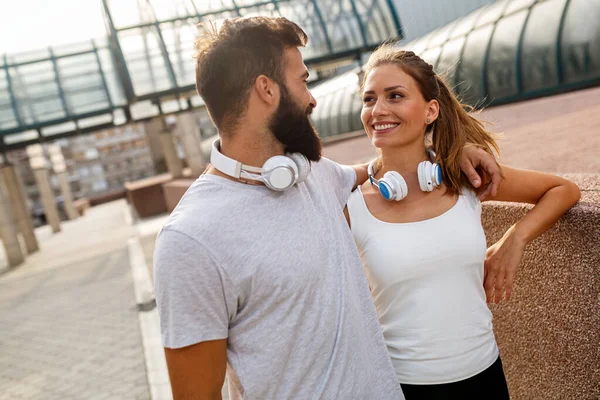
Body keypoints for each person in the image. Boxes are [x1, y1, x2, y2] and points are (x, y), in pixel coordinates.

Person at [153, 17, 502, 400]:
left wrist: (453, 153)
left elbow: (375, 171)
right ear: (266, 90)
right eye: (302, 81)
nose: (313, 98)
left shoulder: (312, 174)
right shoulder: (190, 239)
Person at [345, 44, 581, 400]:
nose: (378, 110)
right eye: (369, 99)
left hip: (485, 374)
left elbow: (563, 190)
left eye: (395, 96)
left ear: (431, 110)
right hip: (400, 385)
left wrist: (514, 238)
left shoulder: (465, 175)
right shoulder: (351, 202)